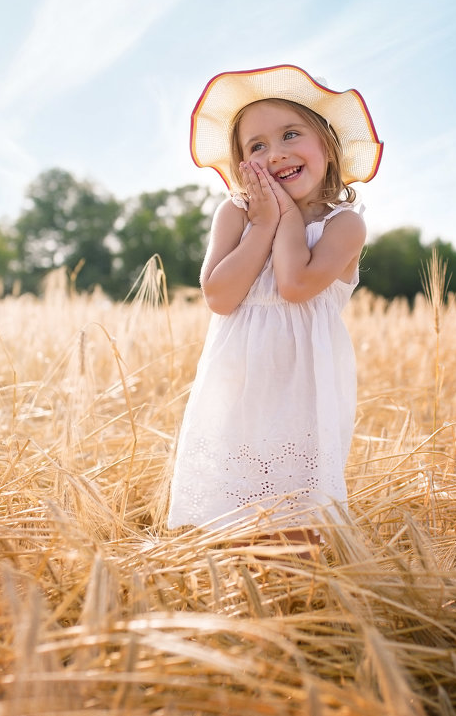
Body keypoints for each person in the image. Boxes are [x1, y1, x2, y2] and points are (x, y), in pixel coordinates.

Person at [167, 64, 383, 548]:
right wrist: (261, 226)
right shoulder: (236, 214)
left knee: (296, 518)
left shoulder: (345, 225)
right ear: (243, 165)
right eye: (257, 146)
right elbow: (220, 297)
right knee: (233, 512)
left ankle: (294, 607)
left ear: (327, 146)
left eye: (290, 134)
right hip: (238, 387)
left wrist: (282, 215)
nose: (276, 153)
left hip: (303, 390)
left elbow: (295, 283)